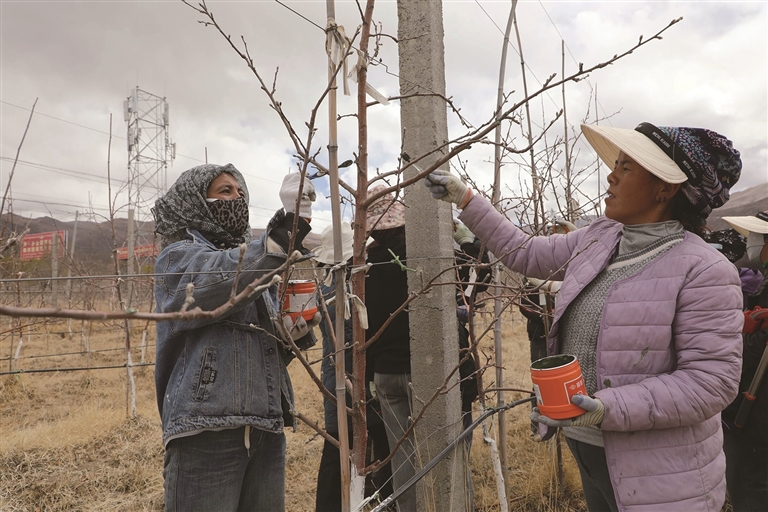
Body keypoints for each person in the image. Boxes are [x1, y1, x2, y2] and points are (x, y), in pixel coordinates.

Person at [425, 122, 744, 511]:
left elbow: (710, 384)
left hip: (661, 472)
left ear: (665, 188)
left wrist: (608, 408)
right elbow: (527, 252)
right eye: (617, 164)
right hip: (590, 447)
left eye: (626, 167)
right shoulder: (600, 236)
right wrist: (467, 199)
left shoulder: (704, 269)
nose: (611, 175)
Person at [152, 165, 319, 511]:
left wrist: (290, 335)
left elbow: (259, 346)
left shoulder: (257, 263)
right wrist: (288, 227)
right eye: (225, 191)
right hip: (205, 429)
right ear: (195, 200)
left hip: (265, 427)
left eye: (240, 193)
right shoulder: (178, 256)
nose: (236, 199)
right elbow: (220, 280)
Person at [313, 221, 393, 511]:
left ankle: (357, 500)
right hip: (349, 379)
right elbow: (353, 339)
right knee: (344, 446)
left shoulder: (329, 285)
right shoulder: (343, 290)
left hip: (339, 377)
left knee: (343, 445)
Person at [364, 185, 418, 512]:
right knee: (441, 451)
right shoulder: (422, 257)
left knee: (402, 458)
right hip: (422, 369)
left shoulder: (362, 268)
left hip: (384, 372)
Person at [721, 211, 768, 511]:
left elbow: (755, 352)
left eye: (756, 238)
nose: (751, 244)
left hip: (757, 407)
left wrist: (736, 337)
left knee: (750, 480)